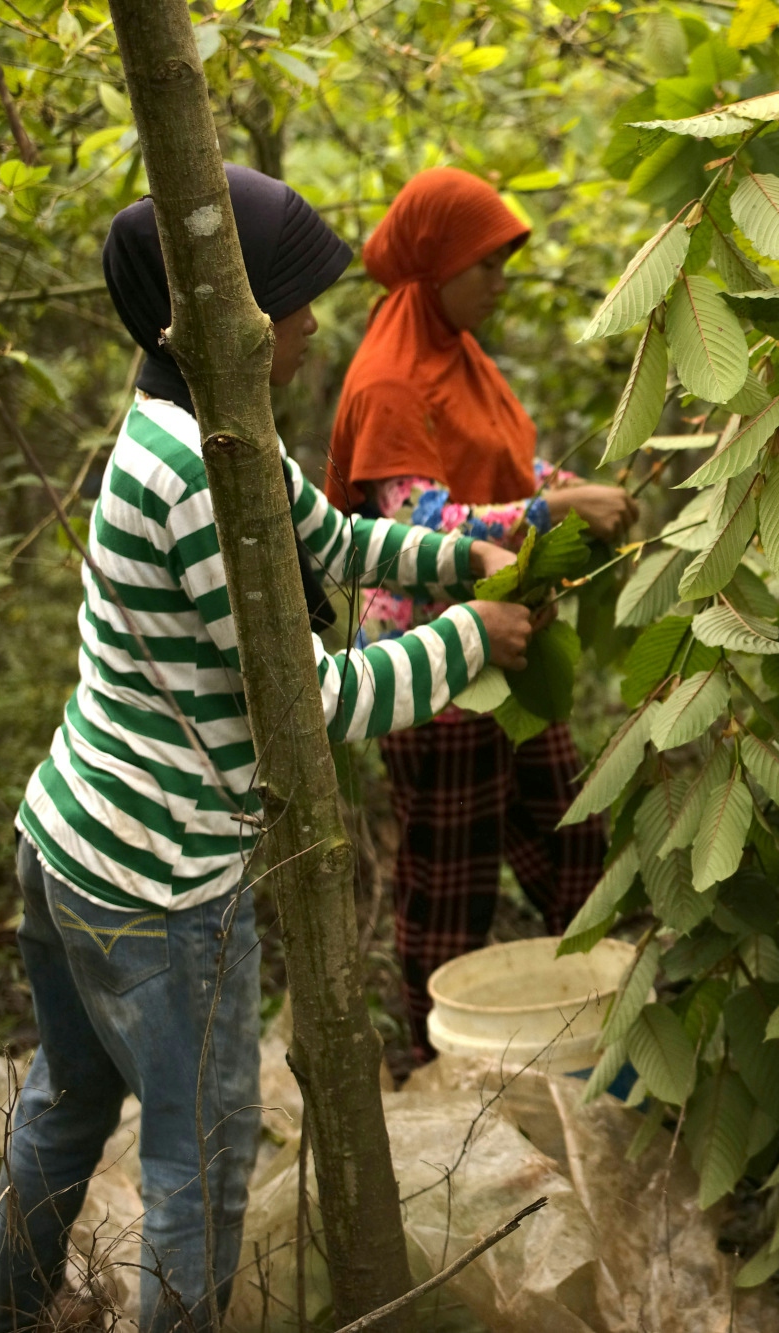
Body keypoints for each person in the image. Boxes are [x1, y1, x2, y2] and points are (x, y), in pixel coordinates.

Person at [0, 165, 534, 1333]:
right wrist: (468, 642)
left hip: (72, 837)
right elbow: (309, 706)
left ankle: (2, 1315)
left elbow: (327, 538)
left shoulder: (201, 426)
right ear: (216, 315)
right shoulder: (194, 477)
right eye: (289, 297)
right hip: (157, 884)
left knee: (64, 1105)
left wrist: (456, 563)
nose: (310, 320)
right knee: (201, 1163)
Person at [325, 167, 633, 1061]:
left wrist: (565, 492)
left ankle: (591, 1032)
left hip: (512, 640)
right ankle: (436, 1072)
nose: (501, 282)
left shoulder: (460, 357)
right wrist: (552, 516)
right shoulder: (390, 380)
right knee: (450, 881)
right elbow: (412, 521)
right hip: (435, 664)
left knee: (571, 833)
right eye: (487, 264)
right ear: (437, 265)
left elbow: (498, 473)